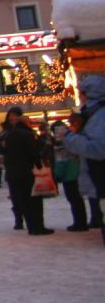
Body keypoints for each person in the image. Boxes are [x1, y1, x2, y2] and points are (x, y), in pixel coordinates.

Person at [0, 109, 53, 235]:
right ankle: (38, 226)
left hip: (13, 172)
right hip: (28, 171)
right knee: (34, 200)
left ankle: (29, 225)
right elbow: (35, 151)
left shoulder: (7, 135)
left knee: (22, 200)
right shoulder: (28, 135)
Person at [65, 74, 105, 251]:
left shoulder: (98, 116)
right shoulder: (93, 114)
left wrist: (70, 138)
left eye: (81, 93)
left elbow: (98, 148)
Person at [51, 120, 88, 231]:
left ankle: (79, 223)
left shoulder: (60, 143)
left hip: (68, 175)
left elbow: (61, 161)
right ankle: (82, 222)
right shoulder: (72, 138)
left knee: (73, 199)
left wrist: (57, 175)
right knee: (78, 200)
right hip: (78, 172)